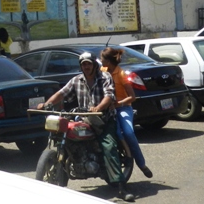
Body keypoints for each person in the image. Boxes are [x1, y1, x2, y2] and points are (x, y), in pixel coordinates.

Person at [37, 51, 135, 202]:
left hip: (104, 120)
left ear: (94, 65)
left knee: (109, 147)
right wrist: (47, 104)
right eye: (84, 64)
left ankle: (122, 187)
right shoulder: (76, 80)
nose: (86, 66)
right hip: (85, 119)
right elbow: (61, 93)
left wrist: (99, 107)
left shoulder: (105, 77)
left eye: (89, 63)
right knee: (69, 135)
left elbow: (109, 96)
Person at [100, 47, 153, 179]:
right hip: (108, 109)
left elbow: (132, 97)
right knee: (113, 132)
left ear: (108, 61)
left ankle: (141, 164)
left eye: (102, 59)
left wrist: (119, 103)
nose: (100, 61)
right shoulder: (102, 71)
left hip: (123, 108)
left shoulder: (122, 74)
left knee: (128, 132)